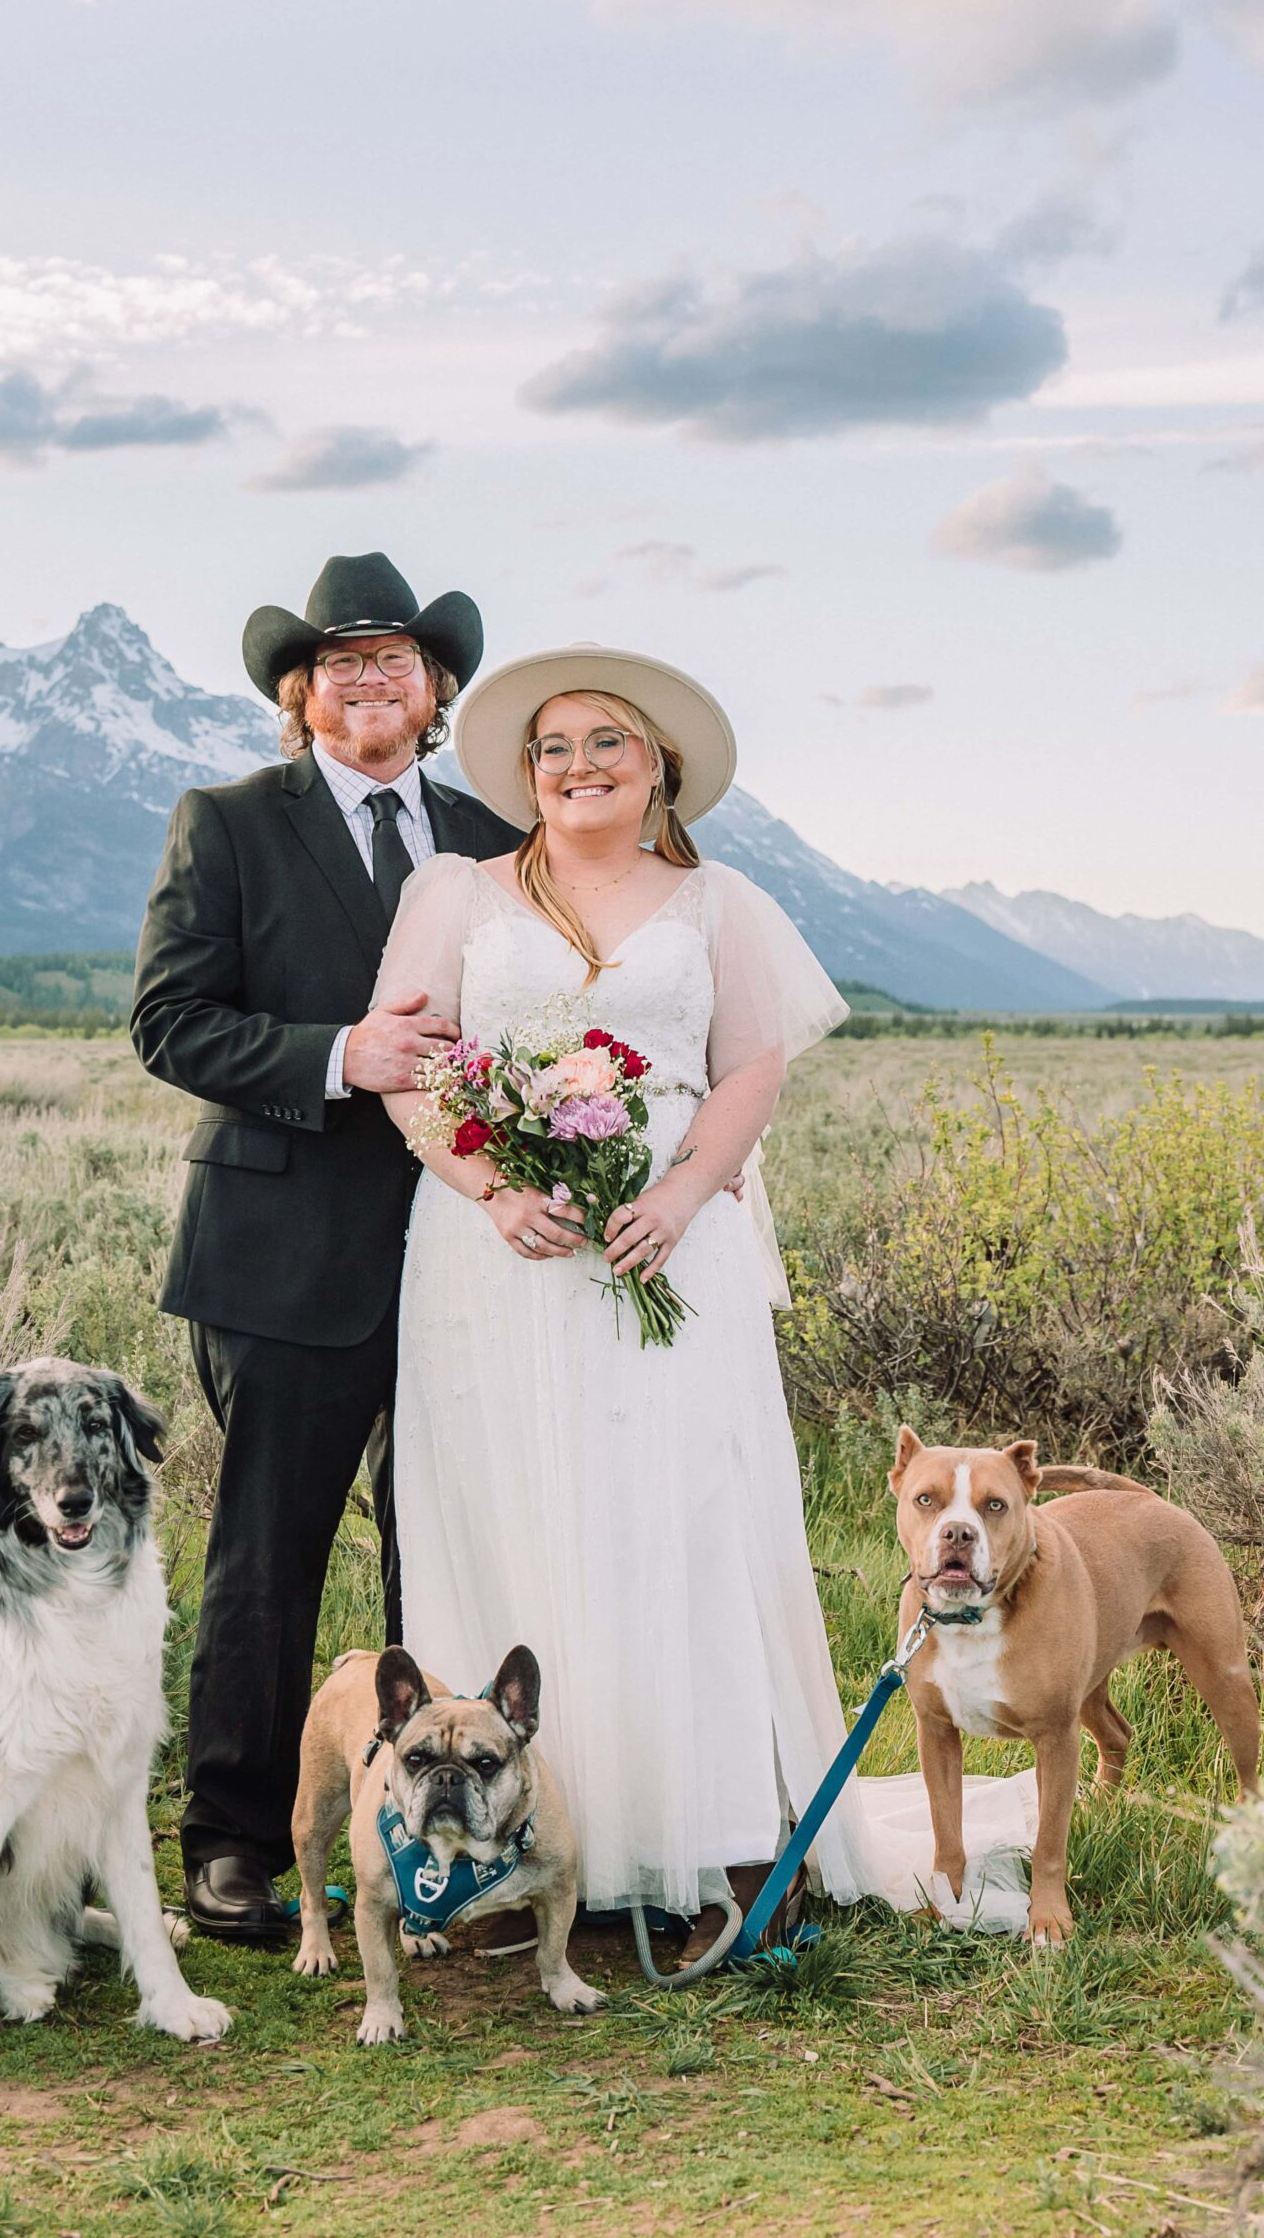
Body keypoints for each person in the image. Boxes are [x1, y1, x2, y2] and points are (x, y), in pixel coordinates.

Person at [375, 643, 1037, 1946]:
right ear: (523, 772)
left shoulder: (715, 901)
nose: (577, 766)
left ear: (658, 766)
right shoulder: (454, 893)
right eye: (553, 747)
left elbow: (747, 1071)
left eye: (607, 743)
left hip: (668, 1252)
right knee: (508, 1512)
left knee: (682, 1525)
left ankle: (725, 1840)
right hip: (490, 1265)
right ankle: (503, 1855)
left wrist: (677, 1194)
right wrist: (493, 1189)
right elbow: (407, 1064)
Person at [130, 554, 521, 1944]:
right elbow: (170, 1022)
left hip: (465, 1259)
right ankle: (236, 1844)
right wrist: (339, 1055)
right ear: (300, 696)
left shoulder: (496, 832)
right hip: (280, 1258)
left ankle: (441, 1842)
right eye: (341, 660)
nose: (370, 679)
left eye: (397, 658)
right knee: (265, 1562)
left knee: (450, 1554)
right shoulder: (229, 824)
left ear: (435, 690)